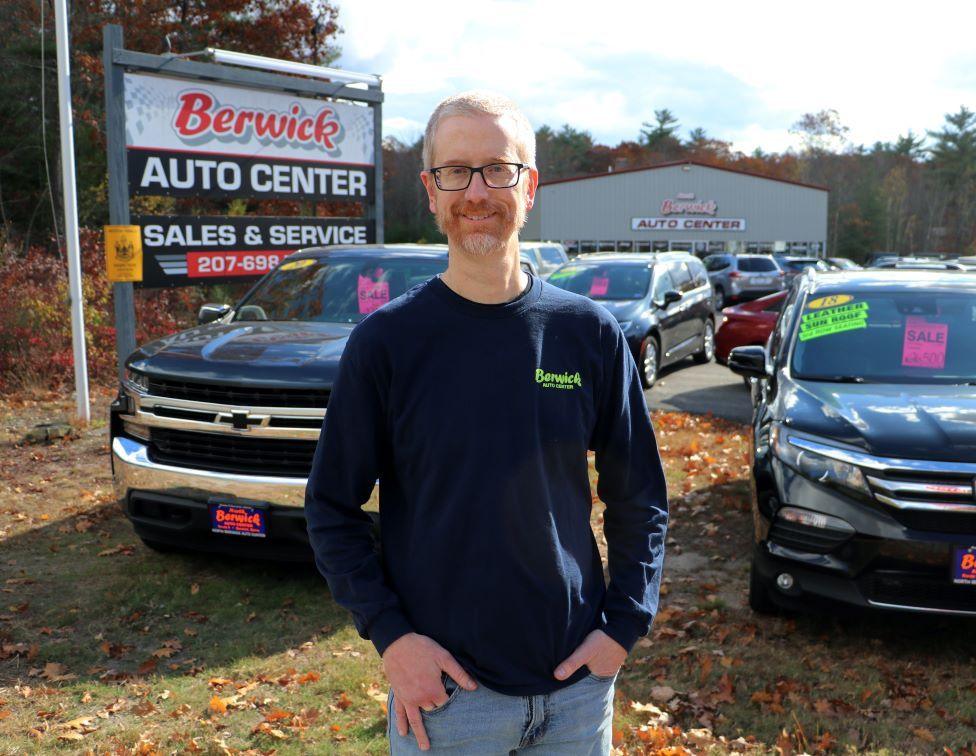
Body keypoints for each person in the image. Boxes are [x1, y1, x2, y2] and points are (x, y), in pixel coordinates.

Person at [305, 91, 668, 754]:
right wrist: (391, 637)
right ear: (431, 189)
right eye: (456, 171)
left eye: (498, 169)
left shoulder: (587, 334)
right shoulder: (388, 344)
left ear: (529, 187)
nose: (477, 190)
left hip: (577, 695)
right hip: (446, 699)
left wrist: (624, 625)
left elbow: (639, 496)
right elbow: (330, 507)